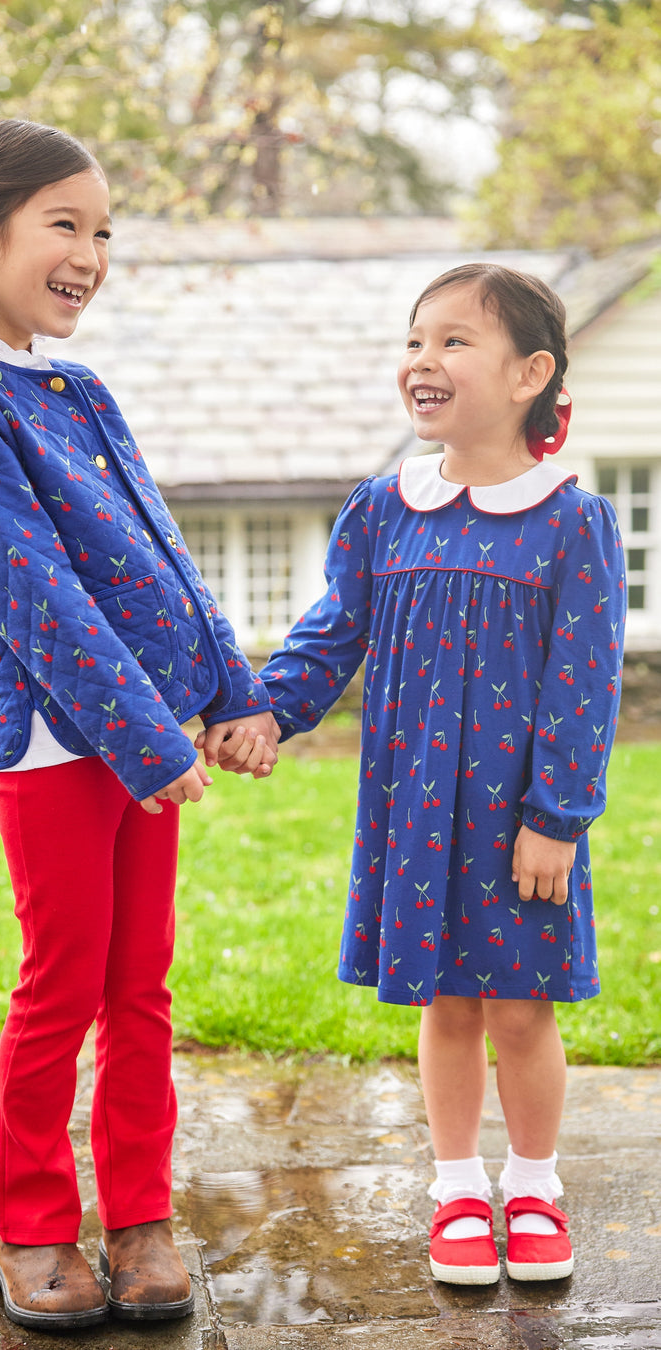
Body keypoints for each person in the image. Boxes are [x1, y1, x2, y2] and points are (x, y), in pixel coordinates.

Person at [0, 117, 279, 1331]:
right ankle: (32, 1225)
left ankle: (142, 1216)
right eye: (66, 224)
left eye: (103, 231)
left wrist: (230, 689)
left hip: (143, 739)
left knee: (143, 987)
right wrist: (151, 741)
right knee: (61, 986)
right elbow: (35, 599)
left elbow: (162, 555)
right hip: (62, 748)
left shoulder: (80, 388)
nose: (92, 253)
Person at [210, 263, 626, 1286]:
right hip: (420, 807)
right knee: (446, 1002)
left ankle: (532, 1185)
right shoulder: (382, 511)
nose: (422, 361)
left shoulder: (569, 522)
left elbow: (585, 682)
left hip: (519, 818)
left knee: (523, 1006)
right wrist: (269, 710)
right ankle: (454, 1189)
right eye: (413, 341)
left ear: (531, 373)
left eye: (452, 342)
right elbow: (331, 635)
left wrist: (558, 818)